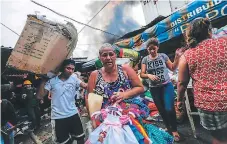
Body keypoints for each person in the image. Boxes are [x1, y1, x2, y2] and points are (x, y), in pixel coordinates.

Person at [177, 17, 227, 144]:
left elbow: (182, 83)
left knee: (219, 139)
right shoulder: (224, 43)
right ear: (210, 32)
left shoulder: (187, 55)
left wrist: (179, 101)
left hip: (209, 105)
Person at [86, 43, 145, 128]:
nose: (108, 58)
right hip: (106, 118)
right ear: (100, 57)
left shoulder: (125, 69)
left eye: (111, 54)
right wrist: (93, 119)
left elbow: (140, 88)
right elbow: (90, 98)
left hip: (127, 114)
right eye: (104, 55)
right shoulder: (94, 75)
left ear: (115, 55)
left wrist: (124, 94)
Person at [140, 38, 185, 141]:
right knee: (162, 110)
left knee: (169, 108)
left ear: (157, 48)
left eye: (154, 48)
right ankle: (169, 129)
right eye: (150, 49)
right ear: (147, 49)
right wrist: (148, 75)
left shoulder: (163, 56)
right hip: (154, 89)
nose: (152, 51)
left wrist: (177, 57)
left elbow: (173, 68)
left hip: (166, 86)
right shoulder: (145, 60)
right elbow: (142, 74)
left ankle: (174, 130)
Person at [36, 59, 87, 144]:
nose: (70, 71)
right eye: (68, 68)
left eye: (72, 69)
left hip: (73, 114)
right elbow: (39, 96)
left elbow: (85, 86)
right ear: (63, 68)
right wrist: (43, 80)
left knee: (80, 138)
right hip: (58, 117)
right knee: (65, 142)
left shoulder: (74, 78)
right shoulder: (52, 81)